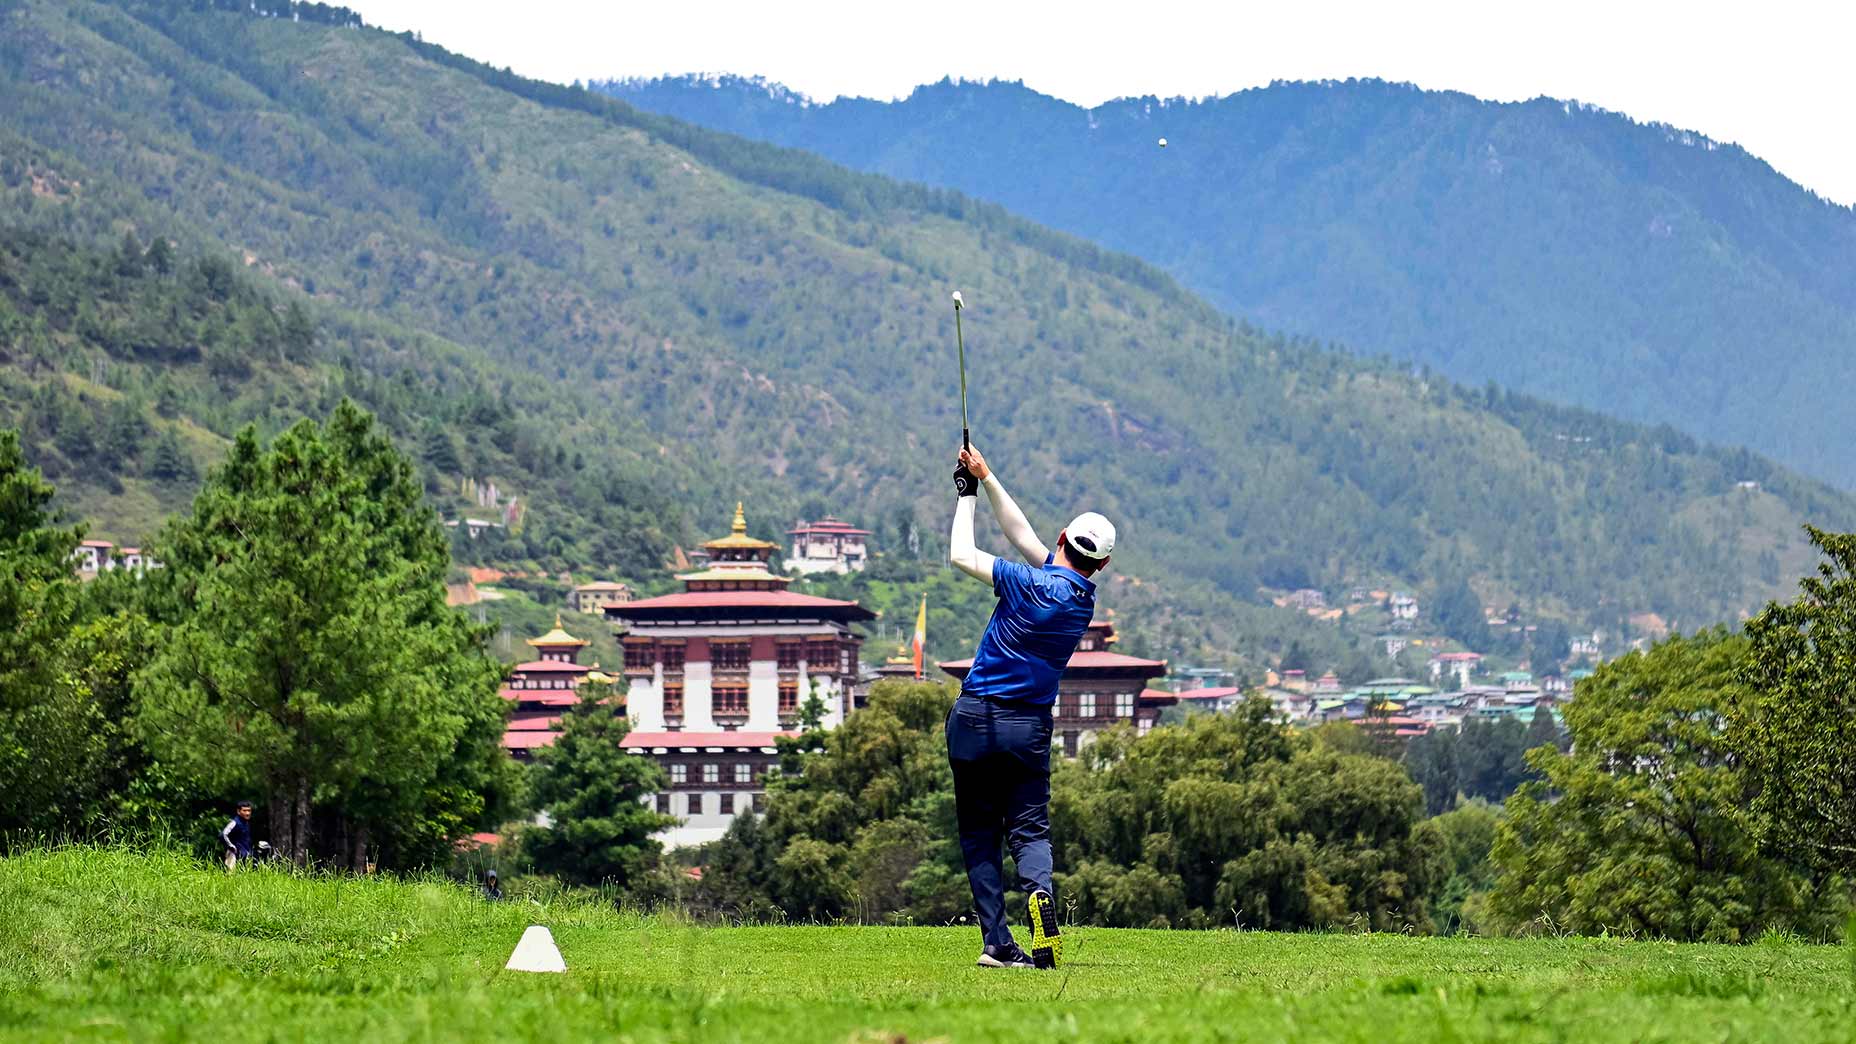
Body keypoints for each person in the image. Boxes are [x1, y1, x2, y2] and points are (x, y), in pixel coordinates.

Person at [945, 444, 1115, 970]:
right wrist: (989, 475)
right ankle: (1038, 897)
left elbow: (960, 554)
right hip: (1028, 729)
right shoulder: (1080, 599)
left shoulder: (1026, 583)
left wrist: (966, 494)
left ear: (1062, 539)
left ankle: (996, 941)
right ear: (1102, 564)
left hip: (974, 717)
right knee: (1029, 827)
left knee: (979, 831)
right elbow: (1023, 537)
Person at [220, 800, 254, 871]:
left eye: (249, 810)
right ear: (238, 811)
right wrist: (231, 846)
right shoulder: (235, 823)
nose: (247, 813)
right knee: (231, 876)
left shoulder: (246, 823)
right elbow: (223, 834)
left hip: (245, 855)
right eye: (244, 810)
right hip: (234, 855)